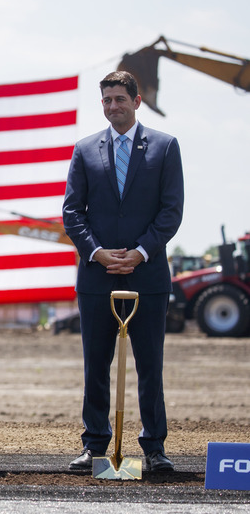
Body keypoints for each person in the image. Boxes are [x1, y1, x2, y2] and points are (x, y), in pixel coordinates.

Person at [63, 71, 184, 472]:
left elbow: (171, 211)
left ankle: (154, 449)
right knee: (95, 365)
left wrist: (141, 252)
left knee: (150, 366)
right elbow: (71, 212)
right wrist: (96, 253)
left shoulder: (165, 147)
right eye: (106, 100)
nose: (113, 106)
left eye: (119, 98)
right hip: (97, 276)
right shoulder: (84, 150)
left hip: (146, 275)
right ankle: (94, 447)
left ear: (136, 101)